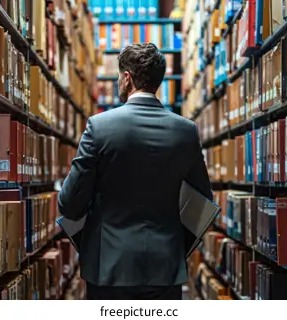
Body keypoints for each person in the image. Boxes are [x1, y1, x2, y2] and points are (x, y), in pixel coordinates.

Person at [57, 43, 212, 300]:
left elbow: (69, 205)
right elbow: (203, 202)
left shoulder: (100, 127)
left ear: (127, 78)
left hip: (108, 267)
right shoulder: (185, 130)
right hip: (165, 267)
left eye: (119, 76)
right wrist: (172, 241)